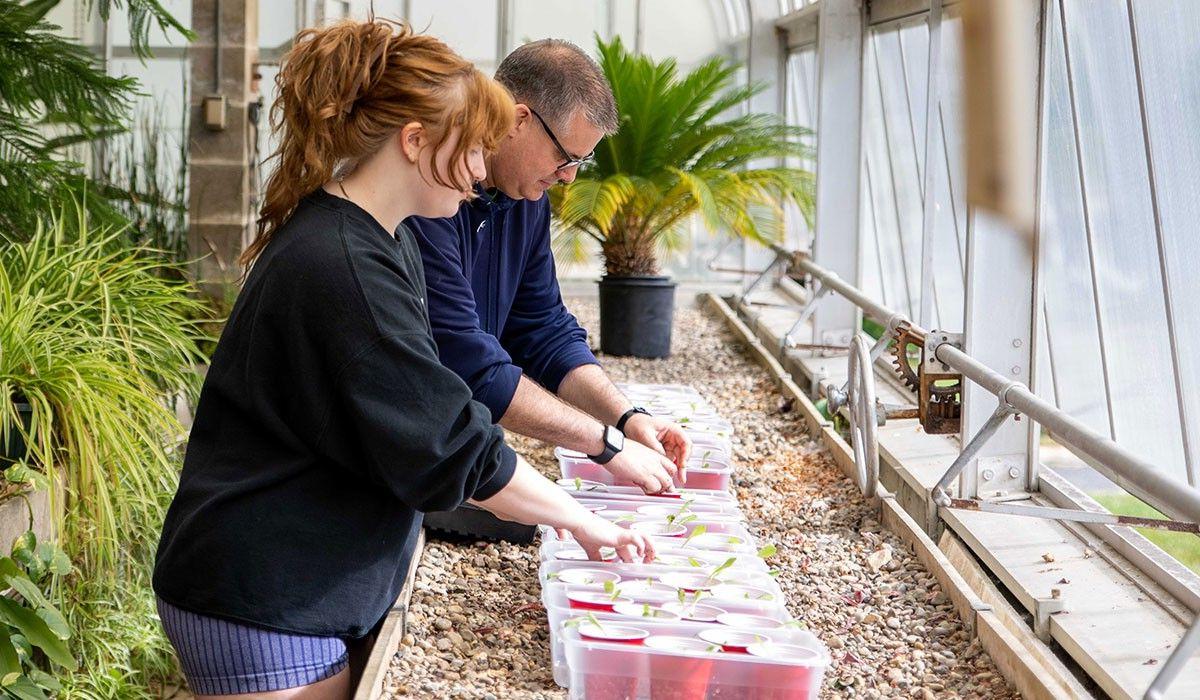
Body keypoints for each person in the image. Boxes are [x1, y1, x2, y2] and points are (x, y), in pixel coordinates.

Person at [152, 20, 653, 699]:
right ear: (415, 143)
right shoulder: (345, 266)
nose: (480, 171)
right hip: (263, 590)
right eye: (472, 151)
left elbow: (434, 421)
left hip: (295, 584)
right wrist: (585, 519)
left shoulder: (377, 242)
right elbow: (449, 441)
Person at [405, 40, 693, 496]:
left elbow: (542, 326)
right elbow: (462, 357)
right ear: (519, 120)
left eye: (582, 161)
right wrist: (607, 445)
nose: (569, 177)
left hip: (448, 448)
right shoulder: (430, 198)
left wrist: (626, 418)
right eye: (566, 156)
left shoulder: (526, 198)